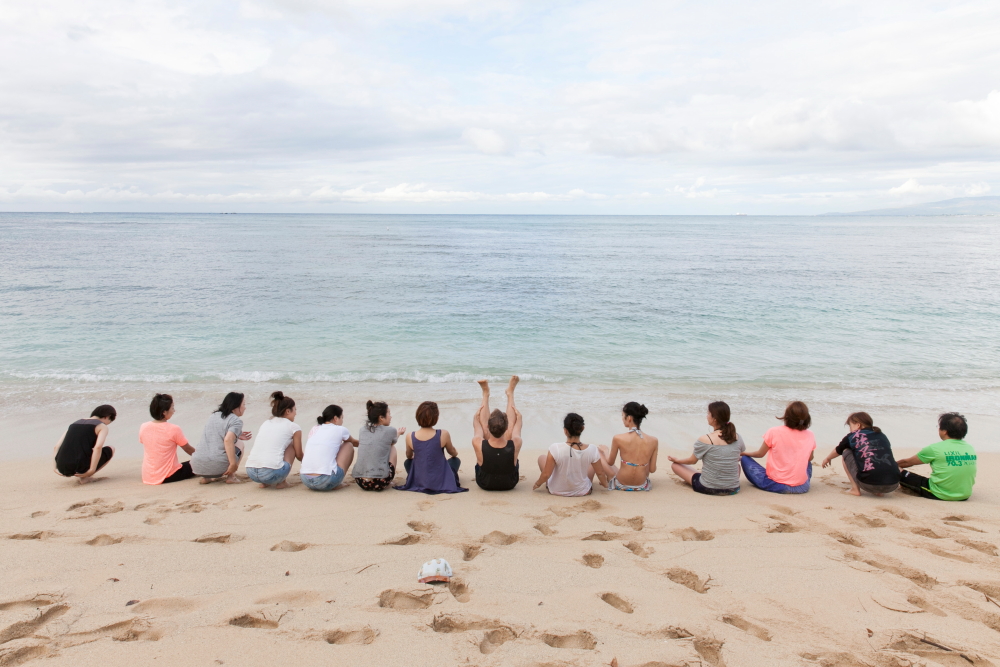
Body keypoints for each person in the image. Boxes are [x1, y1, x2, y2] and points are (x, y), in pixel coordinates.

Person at [668, 401, 744, 495]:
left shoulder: (705, 439)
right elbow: (737, 454)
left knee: (675, 465)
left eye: (708, 413)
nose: (707, 416)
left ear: (714, 419)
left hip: (708, 488)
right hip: (733, 488)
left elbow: (692, 461)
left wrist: (677, 460)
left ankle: (710, 479)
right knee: (737, 466)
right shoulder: (737, 437)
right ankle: (727, 483)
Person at [896, 412, 977, 501]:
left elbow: (907, 462)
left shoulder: (935, 449)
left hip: (940, 494)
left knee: (897, 470)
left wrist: (890, 465)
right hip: (965, 495)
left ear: (945, 431)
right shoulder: (970, 448)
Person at [741, 401, 815, 494]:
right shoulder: (810, 434)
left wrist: (745, 453)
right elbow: (810, 458)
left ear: (787, 416)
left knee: (745, 459)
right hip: (803, 487)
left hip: (779, 485)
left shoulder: (774, 431)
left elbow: (760, 454)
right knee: (808, 464)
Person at [395, 401, 467, 494]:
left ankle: (420, 479)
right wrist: (454, 454)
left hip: (421, 478)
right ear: (436, 418)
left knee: (408, 462)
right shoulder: (443, 434)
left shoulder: (410, 436)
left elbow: (409, 456)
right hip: (440, 478)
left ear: (417, 416)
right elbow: (452, 452)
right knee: (455, 460)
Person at [820, 412, 899, 496]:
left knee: (846, 451)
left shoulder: (853, 436)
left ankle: (855, 489)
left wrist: (828, 458)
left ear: (858, 425)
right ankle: (879, 492)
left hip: (868, 484)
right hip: (893, 484)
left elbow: (838, 450)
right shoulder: (882, 435)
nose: (850, 429)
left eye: (850, 426)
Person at [534, 413, 612, 496]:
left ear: (565, 431)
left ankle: (549, 484)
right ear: (582, 428)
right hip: (583, 491)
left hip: (556, 490)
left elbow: (546, 474)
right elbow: (600, 473)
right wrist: (604, 484)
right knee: (593, 463)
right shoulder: (592, 449)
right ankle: (580, 484)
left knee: (542, 458)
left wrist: (537, 484)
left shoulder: (555, 447)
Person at [471, 376, 523, 491]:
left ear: (488, 426)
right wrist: (519, 419)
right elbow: (516, 429)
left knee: (483, 437)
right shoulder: (517, 442)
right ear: (506, 428)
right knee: (511, 437)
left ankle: (485, 394)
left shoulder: (477, 442)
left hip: (485, 483)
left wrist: (476, 418)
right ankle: (510, 394)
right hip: (509, 483)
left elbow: (478, 428)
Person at [244, 391, 302, 489]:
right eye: (294, 410)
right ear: (288, 411)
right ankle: (282, 482)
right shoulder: (293, 427)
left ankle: (264, 483)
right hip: (271, 473)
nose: (296, 413)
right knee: (291, 444)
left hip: (251, 472)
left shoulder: (266, 423)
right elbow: (299, 455)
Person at [191, 392, 252, 484]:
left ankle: (206, 478)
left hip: (197, 465)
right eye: (243, 404)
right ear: (235, 406)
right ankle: (231, 476)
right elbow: (228, 440)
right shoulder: (236, 420)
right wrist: (232, 464)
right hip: (217, 467)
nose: (245, 407)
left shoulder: (213, 416)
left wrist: (237, 434)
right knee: (240, 444)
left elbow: (214, 434)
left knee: (211, 446)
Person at [140, 394, 196, 484]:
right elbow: (188, 450)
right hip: (168, 475)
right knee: (197, 462)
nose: (174, 411)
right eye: (172, 408)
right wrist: (203, 458)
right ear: (164, 412)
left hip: (148, 475)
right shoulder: (174, 429)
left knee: (185, 463)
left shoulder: (143, 426)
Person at [299, 405, 358, 492]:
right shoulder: (340, 429)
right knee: (348, 445)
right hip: (325, 481)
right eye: (341, 417)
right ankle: (338, 482)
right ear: (335, 418)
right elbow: (354, 442)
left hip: (305, 479)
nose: (342, 421)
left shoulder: (315, 428)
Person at [54, 405, 117, 484]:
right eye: (110, 421)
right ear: (107, 416)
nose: (108, 424)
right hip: (80, 468)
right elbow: (98, 447)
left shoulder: (74, 424)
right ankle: (85, 478)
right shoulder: (101, 426)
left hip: (62, 468)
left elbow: (56, 446)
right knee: (111, 448)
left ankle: (81, 474)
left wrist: (55, 467)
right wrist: (92, 470)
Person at [352, 400, 405, 491]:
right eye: (388, 413)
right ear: (381, 417)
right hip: (380, 482)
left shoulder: (362, 430)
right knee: (392, 447)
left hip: (360, 481)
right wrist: (399, 433)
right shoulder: (390, 430)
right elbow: (393, 441)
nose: (390, 416)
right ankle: (389, 481)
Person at [605, 402, 658, 491]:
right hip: (641, 486)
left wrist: (605, 451)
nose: (622, 419)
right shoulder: (653, 440)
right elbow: (652, 469)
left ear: (629, 418)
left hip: (621, 484)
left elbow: (610, 462)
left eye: (623, 416)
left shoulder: (618, 438)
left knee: (601, 453)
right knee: (644, 462)